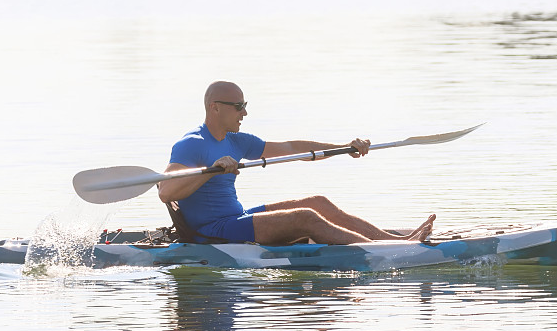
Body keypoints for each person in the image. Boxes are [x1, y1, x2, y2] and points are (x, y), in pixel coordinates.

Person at [158, 81, 435, 245]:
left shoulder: (237, 141)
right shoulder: (191, 143)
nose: (245, 112)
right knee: (306, 217)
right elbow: (166, 192)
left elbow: (292, 149)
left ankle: (395, 241)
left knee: (318, 202)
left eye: (245, 104)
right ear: (214, 107)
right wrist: (210, 172)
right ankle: (390, 252)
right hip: (211, 232)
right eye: (238, 106)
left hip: (235, 217)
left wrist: (343, 148)